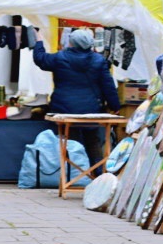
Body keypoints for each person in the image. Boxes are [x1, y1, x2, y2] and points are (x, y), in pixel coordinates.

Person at [31, 27, 121, 160]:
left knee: (68, 141)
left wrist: (39, 40)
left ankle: (70, 174)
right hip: (91, 109)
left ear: (71, 43)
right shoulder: (99, 60)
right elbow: (108, 87)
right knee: (92, 140)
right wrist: (115, 106)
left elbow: (40, 59)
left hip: (64, 109)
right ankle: (96, 174)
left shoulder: (60, 57)